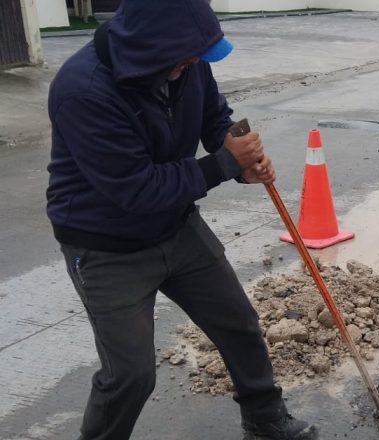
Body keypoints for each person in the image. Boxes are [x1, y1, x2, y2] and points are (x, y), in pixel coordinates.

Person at [45, 1, 317, 439]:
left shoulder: (186, 63)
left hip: (175, 225)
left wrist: (240, 158)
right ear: (152, 47)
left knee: (238, 322)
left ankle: (265, 418)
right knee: (131, 374)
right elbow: (136, 189)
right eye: (187, 55)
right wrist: (225, 164)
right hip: (105, 246)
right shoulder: (83, 90)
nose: (194, 63)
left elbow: (214, 116)